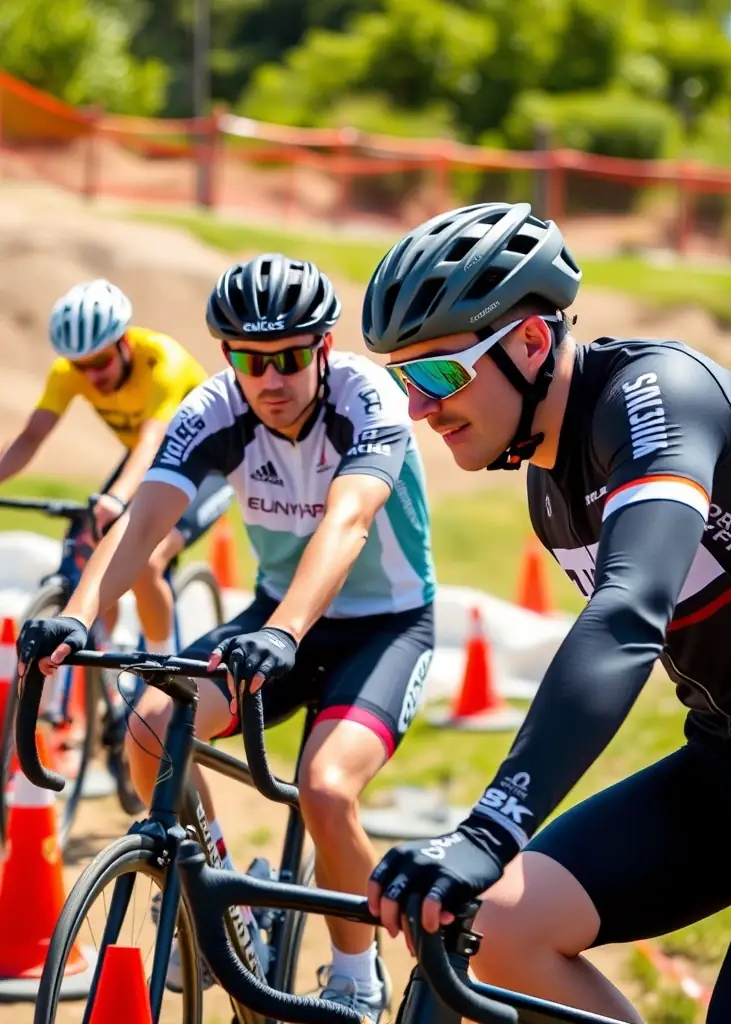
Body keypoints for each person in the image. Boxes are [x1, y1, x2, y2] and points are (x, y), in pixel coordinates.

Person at [362, 201, 731, 1024]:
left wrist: (489, 831)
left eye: (437, 374)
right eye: (402, 379)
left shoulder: (658, 398)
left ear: (532, 342)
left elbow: (626, 617)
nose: (418, 407)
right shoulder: (549, 485)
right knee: (495, 935)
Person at [16, 254, 436, 1020]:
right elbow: (144, 520)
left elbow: (348, 521)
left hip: (384, 624)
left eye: (289, 358)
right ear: (226, 357)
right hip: (277, 616)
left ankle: (357, 974)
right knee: (147, 730)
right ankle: (225, 910)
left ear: (326, 348)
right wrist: (78, 612)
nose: (271, 380)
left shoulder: (368, 395)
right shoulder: (215, 409)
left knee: (325, 788)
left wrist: (284, 630)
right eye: (250, 360)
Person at [0, 278, 233, 654]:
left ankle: (164, 677)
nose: (92, 376)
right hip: (153, 462)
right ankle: (112, 655)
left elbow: (152, 440)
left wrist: (116, 497)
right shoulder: (67, 373)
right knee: (88, 543)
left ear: (124, 342)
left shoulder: (162, 361)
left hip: (210, 465)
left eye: (101, 361)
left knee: (148, 561)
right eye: (81, 366)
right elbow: (30, 438)